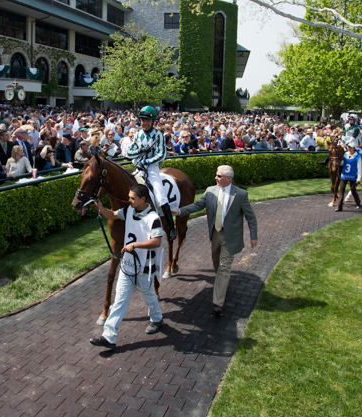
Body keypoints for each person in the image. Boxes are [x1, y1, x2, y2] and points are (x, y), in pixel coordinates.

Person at [171, 165, 258, 315]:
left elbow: (251, 217)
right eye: (216, 175)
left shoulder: (241, 194)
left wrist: (253, 235)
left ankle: (218, 303)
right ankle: (222, 284)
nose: (215, 178)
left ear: (228, 178)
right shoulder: (210, 191)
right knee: (217, 264)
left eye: (218, 176)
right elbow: (197, 206)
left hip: (231, 237)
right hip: (215, 234)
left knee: (224, 267)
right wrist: (179, 211)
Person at [89, 184, 165, 350]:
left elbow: (157, 241)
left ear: (143, 199)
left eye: (132, 198)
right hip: (128, 265)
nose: (129, 200)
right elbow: (112, 214)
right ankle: (108, 337)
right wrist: (100, 208)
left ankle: (157, 318)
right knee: (119, 300)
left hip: (145, 266)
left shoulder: (153, 218)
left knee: (149, 295)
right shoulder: (129, 210)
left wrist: (135, 245)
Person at [126, 106, 176, 241]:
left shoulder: (158, 135)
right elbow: (129, 152)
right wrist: (141, 149)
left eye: (148, 120)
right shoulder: (136, 134)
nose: (145, 123)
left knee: (160, 195)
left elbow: (162, 154)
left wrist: (147, 161)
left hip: (151, 168)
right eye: (143, 120)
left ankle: (171, 227)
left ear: (153, 121)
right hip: (137, 166)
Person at [335, 140, 362, 212]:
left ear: (354, 148)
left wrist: (359, 178)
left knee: (353, 190)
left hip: (352, 176)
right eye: (349, 147)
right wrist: (339, 163)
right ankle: (339, 207)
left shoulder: (357, 157)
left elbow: (359, 168)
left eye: (351, 147)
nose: (349, 149)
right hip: (344, 175)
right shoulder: (345, 155)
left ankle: (358, 203)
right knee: (341, 191)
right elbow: (343, 163)